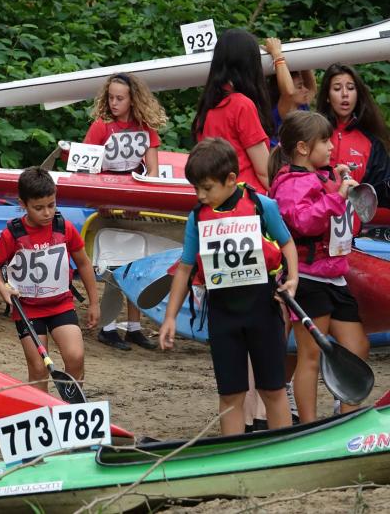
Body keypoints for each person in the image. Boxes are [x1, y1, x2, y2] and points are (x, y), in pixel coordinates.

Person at [158, 138, 297, 435]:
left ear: (231, 179)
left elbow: (286, 243)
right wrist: (169, 317)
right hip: (223, 315)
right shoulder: (197, 217)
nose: (201, 195)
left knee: (272, 388)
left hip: (263, 308)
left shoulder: (262, 205)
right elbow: (184, 268)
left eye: (207, 188)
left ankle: (284, 449)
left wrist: (293, 279)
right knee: (230, 394)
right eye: (196, 188)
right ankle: (233, 450)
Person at [268, 110, 369, 422]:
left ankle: (346, 415)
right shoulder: (289, 184)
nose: (330, 146)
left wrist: (341, 185)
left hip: (334, 277)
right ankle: (309, 425)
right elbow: (304, 222)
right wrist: (337, 195)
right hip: (308, 279)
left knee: (358, 346)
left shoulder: (323, 176)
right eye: (324, 141)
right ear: (302, 148)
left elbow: (339, 214)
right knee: (310, 356)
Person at [0, 167, 100, 393]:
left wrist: (94, 302)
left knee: (75, 357)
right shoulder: (13, 234)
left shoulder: (63, 227)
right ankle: (42, 414)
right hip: (27, 310)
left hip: (60, 304)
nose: (47, 213)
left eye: (52, 205)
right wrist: (3, 289)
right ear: (23, 204)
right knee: (38, 368)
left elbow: (85, 264)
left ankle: (72, 407)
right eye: (39, 208)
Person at [82, 72, 166, 350]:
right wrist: (101, 201)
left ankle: (133, 327)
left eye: (120, 98)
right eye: (111, 97)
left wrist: (139, 202)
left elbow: (152, 169)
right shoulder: (100, 126)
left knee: (136, 265)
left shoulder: (145, 129)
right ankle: (108, 327)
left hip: (133, 202)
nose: (114, 103)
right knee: (113, 265)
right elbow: (86, 166)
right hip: (106, 203)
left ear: (133, 100)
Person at [193, 29, 273, 193]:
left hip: (218, 199)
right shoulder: (242, 105)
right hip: (248, 200)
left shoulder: (207, 107)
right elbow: (264, 171)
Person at [316, 63, 390, 207]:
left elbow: (382, 193)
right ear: (327, 96)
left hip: (357, 225)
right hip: (316, 219)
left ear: (358, 94)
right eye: (337, 88)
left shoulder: (372, 142)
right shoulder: (312, 134)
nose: (345, 94)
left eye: (351, 88)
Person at [264, 37, 316, 147]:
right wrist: (276, 53)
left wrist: (299, 49)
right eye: (300, 86)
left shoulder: (301, 106)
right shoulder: (285, 109)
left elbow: (311, 88)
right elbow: (288, 92)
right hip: (281, 162)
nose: (305, 89)